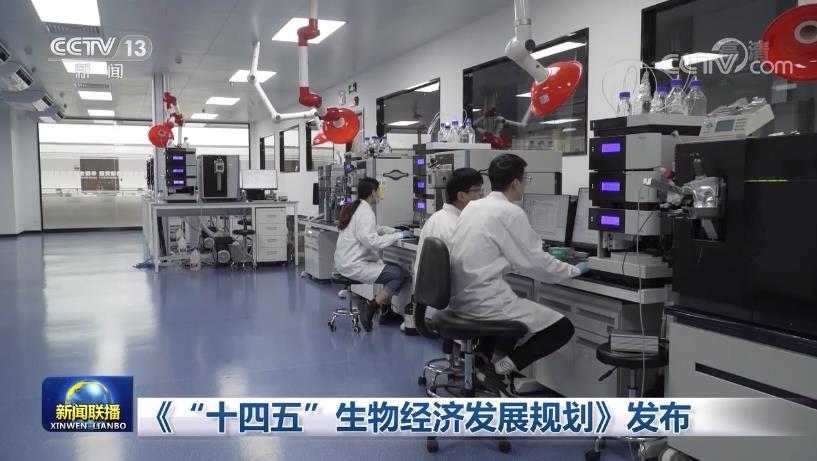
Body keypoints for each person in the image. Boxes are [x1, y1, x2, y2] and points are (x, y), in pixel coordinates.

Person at [448, 153, 589, 392]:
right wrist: (573, 269)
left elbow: (488, 250)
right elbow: (537, 262)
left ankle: (483, 368)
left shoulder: (473, 207)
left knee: (517, 310)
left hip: (462, 298)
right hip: (484, 300)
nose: (525, 184)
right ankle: (499, 369)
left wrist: (513, 262)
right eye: (526, 179)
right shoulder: (510, 212)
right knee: (562, 328)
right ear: (515, 183)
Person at [334, 177, 413, 332]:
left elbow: (373, 229)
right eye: (378, 190)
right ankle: (371, 306)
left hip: (345, 263)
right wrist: (398, 236)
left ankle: (386, 313)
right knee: (400, 275)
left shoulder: (357, 208)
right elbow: (373, 242)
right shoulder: (365, 212)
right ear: (373, 192)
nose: (380, 194)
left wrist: (393, 230)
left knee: (390, 269)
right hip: (355, 265)